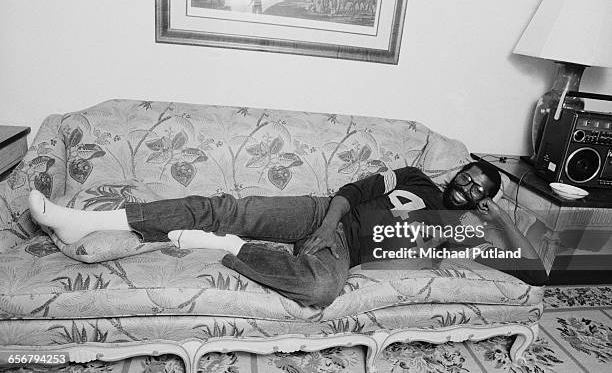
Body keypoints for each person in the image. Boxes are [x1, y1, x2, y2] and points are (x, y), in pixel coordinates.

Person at [28, 161, 547, 307]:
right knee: (223, 206)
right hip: (322, 214)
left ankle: (227, 250)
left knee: (321, 290)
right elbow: (351, 187)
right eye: (467, 175)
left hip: (346, 252)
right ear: (456, 173)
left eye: (479, 187)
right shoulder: (414, 179)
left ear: (483, 197)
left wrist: (497, 214)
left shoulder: (461, 230)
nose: (467, 186)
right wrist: (323, 225)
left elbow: (533, 271)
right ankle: (90, 220)